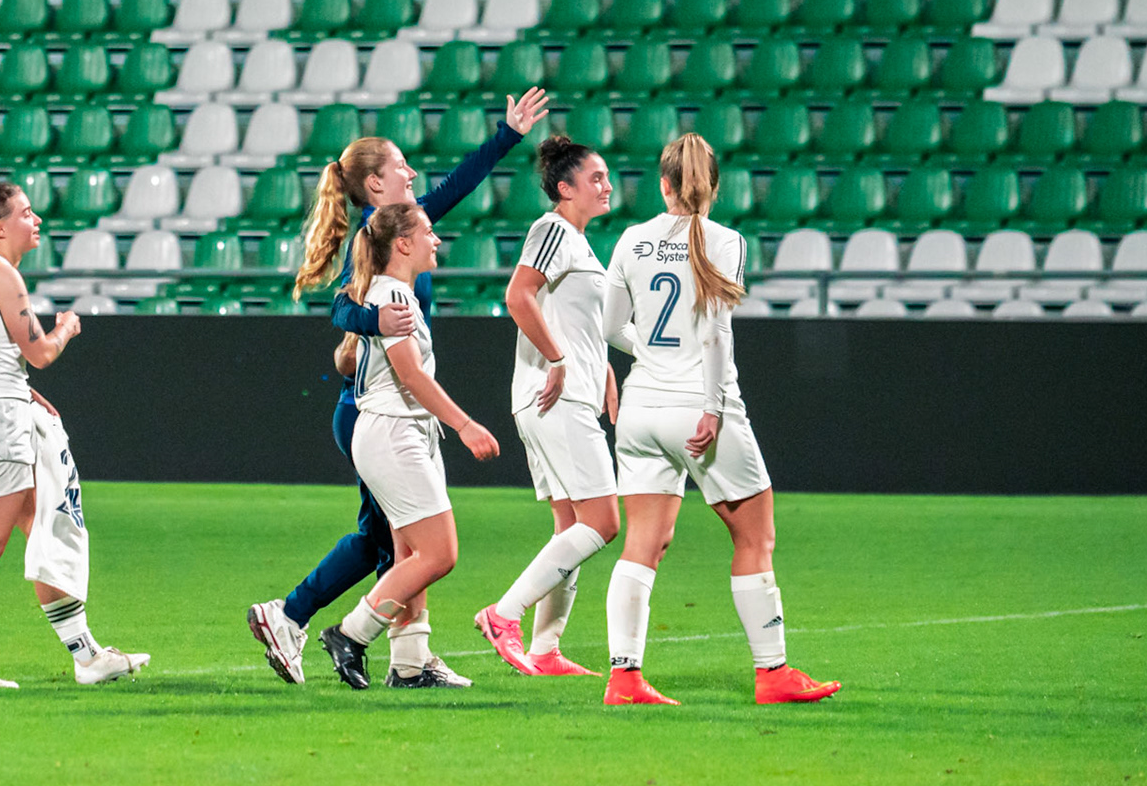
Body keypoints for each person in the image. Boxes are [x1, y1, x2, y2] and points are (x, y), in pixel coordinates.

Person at [246, 88, 551, 686]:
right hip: (370, 410)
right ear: (376, 185)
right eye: (401, 166)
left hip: (385, 406)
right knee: (391, 542)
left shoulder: (400, 228)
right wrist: (373, 322)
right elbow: (342, 308)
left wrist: (508, 135)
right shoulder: (377, 240)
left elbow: (456, 187)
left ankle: (409, 659)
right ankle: (293, 616)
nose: (412, 174)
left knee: (401, 542)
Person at [599, 134, 841, 707]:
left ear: (663, 184)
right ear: (714, 186)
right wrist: (711, 407)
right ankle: (772, 673)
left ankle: (624, 678)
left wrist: (652, 356)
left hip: (640, 410)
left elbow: (609, 329)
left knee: (643, 543)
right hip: (699, 409)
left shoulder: (631, 240)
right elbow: (715, 330)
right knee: (755, 537)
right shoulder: (725, 241)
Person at [0, 182, 149, 690]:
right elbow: (41, 353)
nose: (37, 221)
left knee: (45, 532)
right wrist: (67, 327)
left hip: (1, 413)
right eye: (26, 213)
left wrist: (25, 394)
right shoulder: (0, 275)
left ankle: (88, 657)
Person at [316, 204, 501, 688]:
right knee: (439, 554)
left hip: (401, 430)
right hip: (393, 433)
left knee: (411, 554)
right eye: (428, 232)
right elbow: (411, 375)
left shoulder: (387, 293)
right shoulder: (394, 295)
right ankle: (350, 634)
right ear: (402, 243)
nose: (436, 240)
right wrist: (465, 425)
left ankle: (410, 664)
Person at [473, 136, 620, 677]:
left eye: (606, 176)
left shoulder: (577, 241)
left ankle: (545, 650)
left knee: (571, 526)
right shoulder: (553, 229)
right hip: (555, 396)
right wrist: (559, 360)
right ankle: (503, 615)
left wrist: (602, 367)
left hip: (560, 393)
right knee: (603, 522)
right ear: (565, 188)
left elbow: (577, 321)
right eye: (595, 178)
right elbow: (518, 296)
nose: (607, 185)